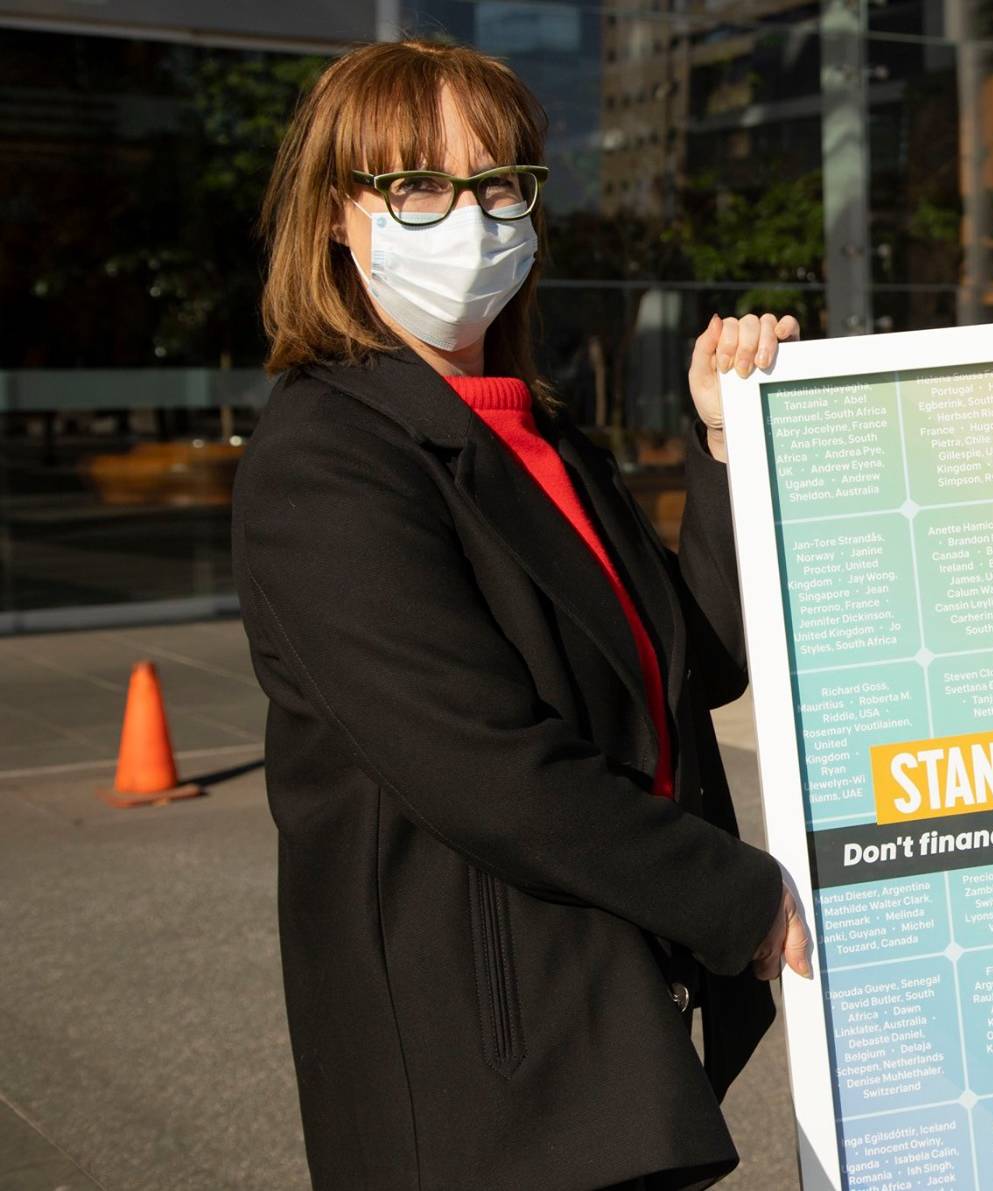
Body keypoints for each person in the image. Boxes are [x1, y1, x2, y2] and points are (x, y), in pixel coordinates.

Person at [235, 40, 807, 1191]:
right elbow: (480, 764)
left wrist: (721, 444)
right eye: (418, 186)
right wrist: (737, 895)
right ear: (338, 216)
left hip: (606, 1020)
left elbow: (695, 661)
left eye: (498, 184)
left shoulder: (538, 434)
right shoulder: (326, 458)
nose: (469, 219)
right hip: (485, 1064)